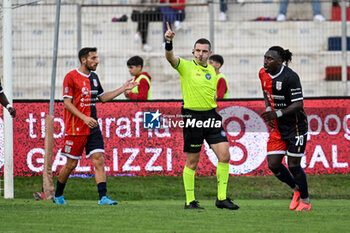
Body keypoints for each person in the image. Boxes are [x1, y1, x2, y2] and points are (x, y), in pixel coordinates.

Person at [164, 22, 239, 210]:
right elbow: (170, 58)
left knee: (225, 155)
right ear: (193, 51)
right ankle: (190, 201)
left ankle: (221, 198)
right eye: (197, 50)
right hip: (192, 116)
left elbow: (211, 94)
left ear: (209, 53)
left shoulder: (212, 72)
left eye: (204, 51)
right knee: (192, 161)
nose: (200, 54)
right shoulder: (185, 67)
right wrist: (168, 43)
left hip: (211, 116)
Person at [53, 47, 138, 205]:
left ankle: (103, 197)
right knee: (71, 164)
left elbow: (102, 98)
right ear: (83, 60)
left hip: (92, 126)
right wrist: (84, 118)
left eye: (96, 58)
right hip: (76, 128)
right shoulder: (71, 77)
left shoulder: (94, 77)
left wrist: (123, 88)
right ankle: (58, 195)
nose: (96, 61)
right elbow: (67, 103)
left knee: (98, 159)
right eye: (93, 58)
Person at [259, 46, 311, 211]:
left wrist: (277, 114)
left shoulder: (290, 77)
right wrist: (269, 110)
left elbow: (298, 104)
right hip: (278, 128)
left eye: (270, 59)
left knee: (294, 165)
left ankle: (305, 201)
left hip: (296, 127)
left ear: (280, 61)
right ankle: (296, 189)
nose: (265, 61)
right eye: (265, 57)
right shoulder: (262, 73)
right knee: (273, 164)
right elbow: (266, 93)